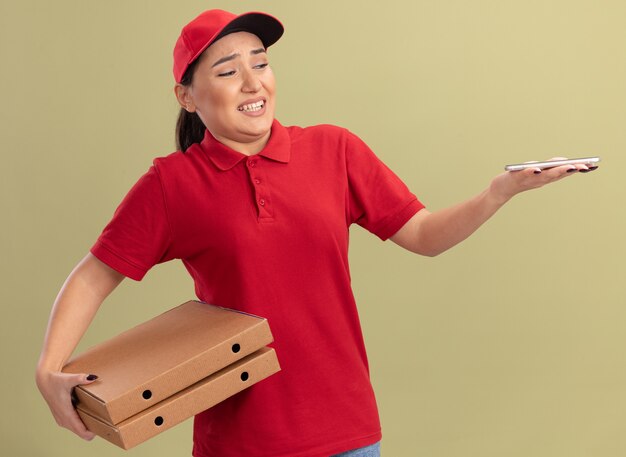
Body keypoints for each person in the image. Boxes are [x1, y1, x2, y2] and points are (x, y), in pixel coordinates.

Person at [35, 9, 597, 457]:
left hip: (348, 435)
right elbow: (94, 275)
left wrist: (497, 192)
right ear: (187, 96)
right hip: (239, 444)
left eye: (261, 62)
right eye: (227, 71)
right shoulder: (172, 184)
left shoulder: (335, 150)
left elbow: (423, 233)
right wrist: (49, 369)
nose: (253, 82)